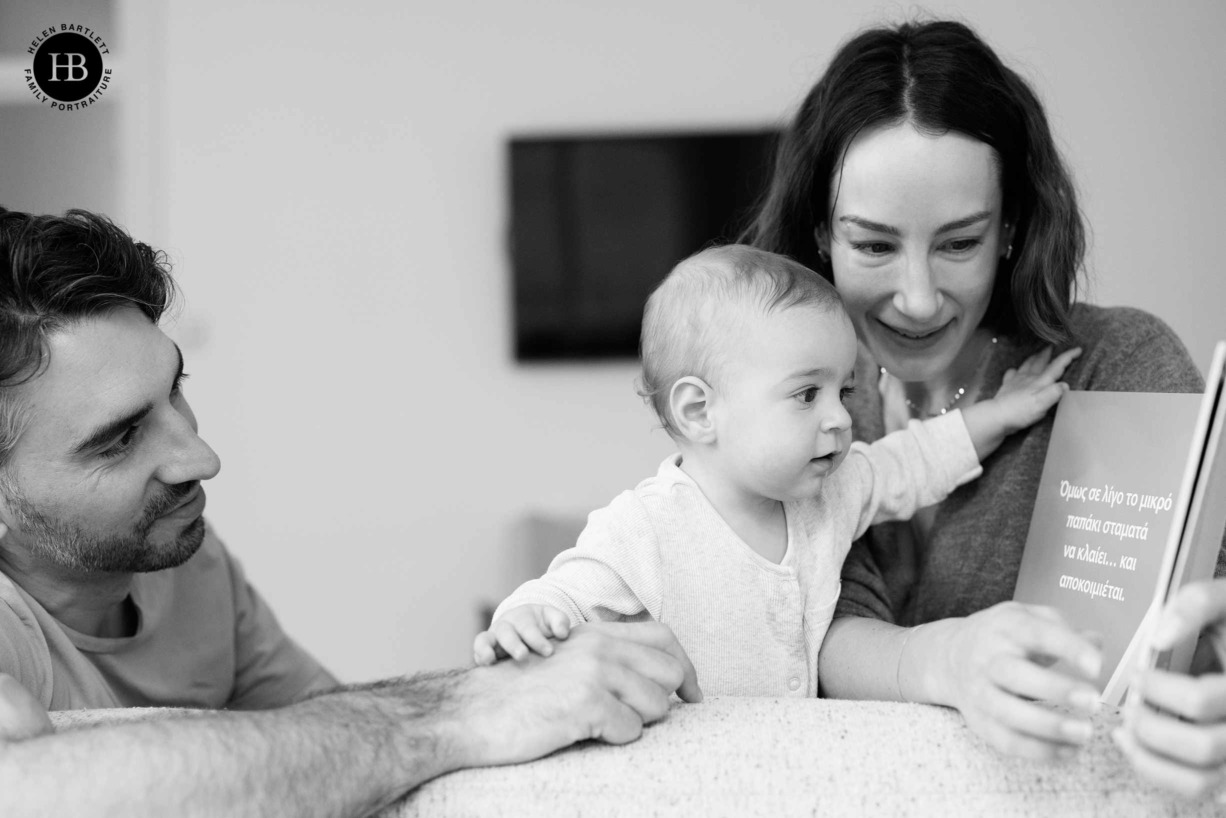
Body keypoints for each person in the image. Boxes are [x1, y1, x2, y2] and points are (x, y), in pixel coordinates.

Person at [0, 206, 702, 816]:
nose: (199, 459)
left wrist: (516, 688)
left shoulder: (183, 560)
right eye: (120, 439)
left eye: (175, 388)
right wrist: (464, 712)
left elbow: (329, 736)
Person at [741, 19, 1226, 798]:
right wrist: (948, 658)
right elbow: (810, 626)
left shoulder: (1118, 365)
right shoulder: (801, 412)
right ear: (819, 236)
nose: (920, 298)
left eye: (959, 242)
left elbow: (1210, 599)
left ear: (1010, 231)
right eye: (873, 245)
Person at [473, 244, 1077, 697]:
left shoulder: (833, 492)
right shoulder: (647, 527)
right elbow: (567, 592)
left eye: (844, 389)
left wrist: (998, 413)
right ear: (700, 411)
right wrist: (521, 621)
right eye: (806, 395)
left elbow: (912, 462)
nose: (842, 418)